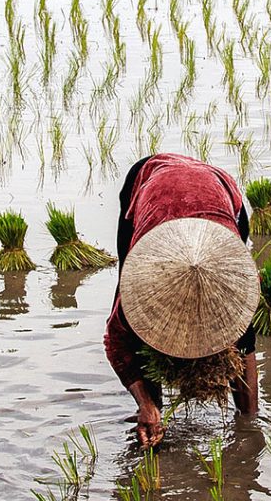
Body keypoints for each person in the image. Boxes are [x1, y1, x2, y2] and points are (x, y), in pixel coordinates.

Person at [104, 154, 260, 448]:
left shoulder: (236, 284)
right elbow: (117, 342)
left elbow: (245, 342)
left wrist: (250, 427)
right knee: (135, 327)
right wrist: (146, 404)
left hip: (217, 187)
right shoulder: (141, 281)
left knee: (237, 328)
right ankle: (153, 414)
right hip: (152, 181)